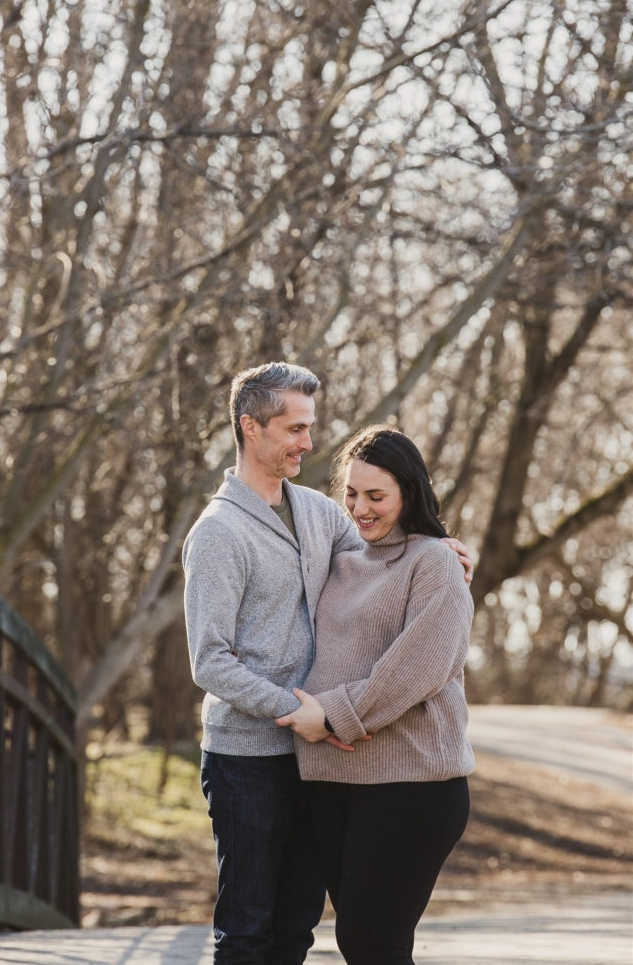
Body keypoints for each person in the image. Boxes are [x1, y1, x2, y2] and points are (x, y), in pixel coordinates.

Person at [183, 363, 473, 965]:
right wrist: (301, 712)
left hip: (318, 762)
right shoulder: (218, 533)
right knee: (248, 931)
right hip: (249, 758)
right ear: (251, 427)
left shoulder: (319, 512)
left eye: (309, 427)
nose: (308, 443)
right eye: (294, 429)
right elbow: (210, 661)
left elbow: (383, 552)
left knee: (296, 930)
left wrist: (440, 551)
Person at [276, 425, 475, 965]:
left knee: (372, 944)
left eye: (376, 496)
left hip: (411, 784)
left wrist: (332, 717)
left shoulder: (434, 562)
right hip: (333, 782)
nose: (360, 509)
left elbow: (418, 669)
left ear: (410, 492)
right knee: (360, 944)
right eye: (351, 494)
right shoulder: (341, 561)